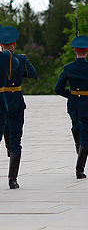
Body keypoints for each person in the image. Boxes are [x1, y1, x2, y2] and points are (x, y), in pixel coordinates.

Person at [55, 35, 88, 179]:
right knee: (86, 137)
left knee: (76, 127)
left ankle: (79, 148)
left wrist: (70, 95)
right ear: (87, 51)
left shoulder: (68, 68)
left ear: (74, 51)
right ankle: (80, 169)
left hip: (74, 103)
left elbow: (58, 88)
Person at [0, 26, 36, 189]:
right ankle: (12, 179)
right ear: (14, 44)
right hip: (15, 101)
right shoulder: (21, 59)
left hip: (2, 99)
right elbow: (32, 73)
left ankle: (9, 149)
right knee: (16, 140)